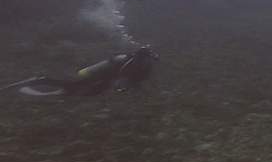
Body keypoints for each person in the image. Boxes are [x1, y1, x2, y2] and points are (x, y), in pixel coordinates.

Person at [4, 44, 159, 97]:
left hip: (104, 78)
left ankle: (59, 93)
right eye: (148, 58)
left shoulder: (139, 64)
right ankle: (40, 80)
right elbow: (123, 74)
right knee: (72, 85)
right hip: (98, 75)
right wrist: (122, 86)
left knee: (88, 93)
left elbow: (131, 79)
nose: (149, 62)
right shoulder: (131, 62)